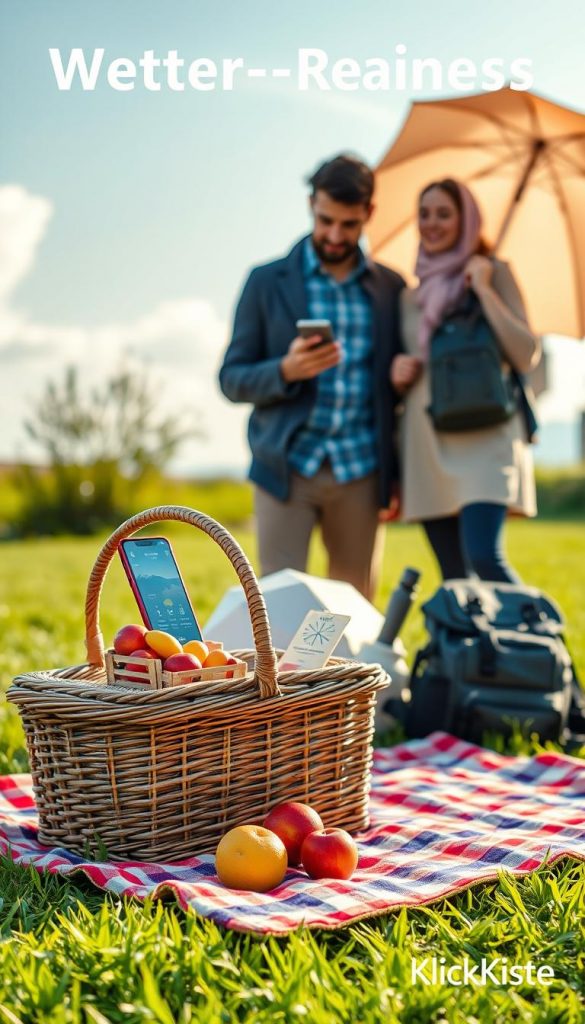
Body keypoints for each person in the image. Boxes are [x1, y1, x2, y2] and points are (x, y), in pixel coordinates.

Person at [219, 155, 405, 600]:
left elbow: (394, 390)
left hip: (361, 471)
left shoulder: (391, 290)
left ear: (368, 216)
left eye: (349, 224)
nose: (335, 236)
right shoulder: (266, 282)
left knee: (352, 611)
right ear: (310, 205)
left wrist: (402, 376)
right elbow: (231, 379)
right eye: (326, 221)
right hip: (286, 468)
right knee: (278, 609)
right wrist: (285, 370)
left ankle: (346, 675)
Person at [391, 178, 541, 582]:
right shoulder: (409, 297)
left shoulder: (495, 273)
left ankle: (540, 642)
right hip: (428, 442)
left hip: (487, 436)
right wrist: (397, 371)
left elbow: (526, 352)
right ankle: (473, 648)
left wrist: (486, 290)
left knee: (484, 558)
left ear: (466, 220)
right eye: (424, 214)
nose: (432, 223)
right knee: (454, 575)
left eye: (444, 213)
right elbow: (399, 362)